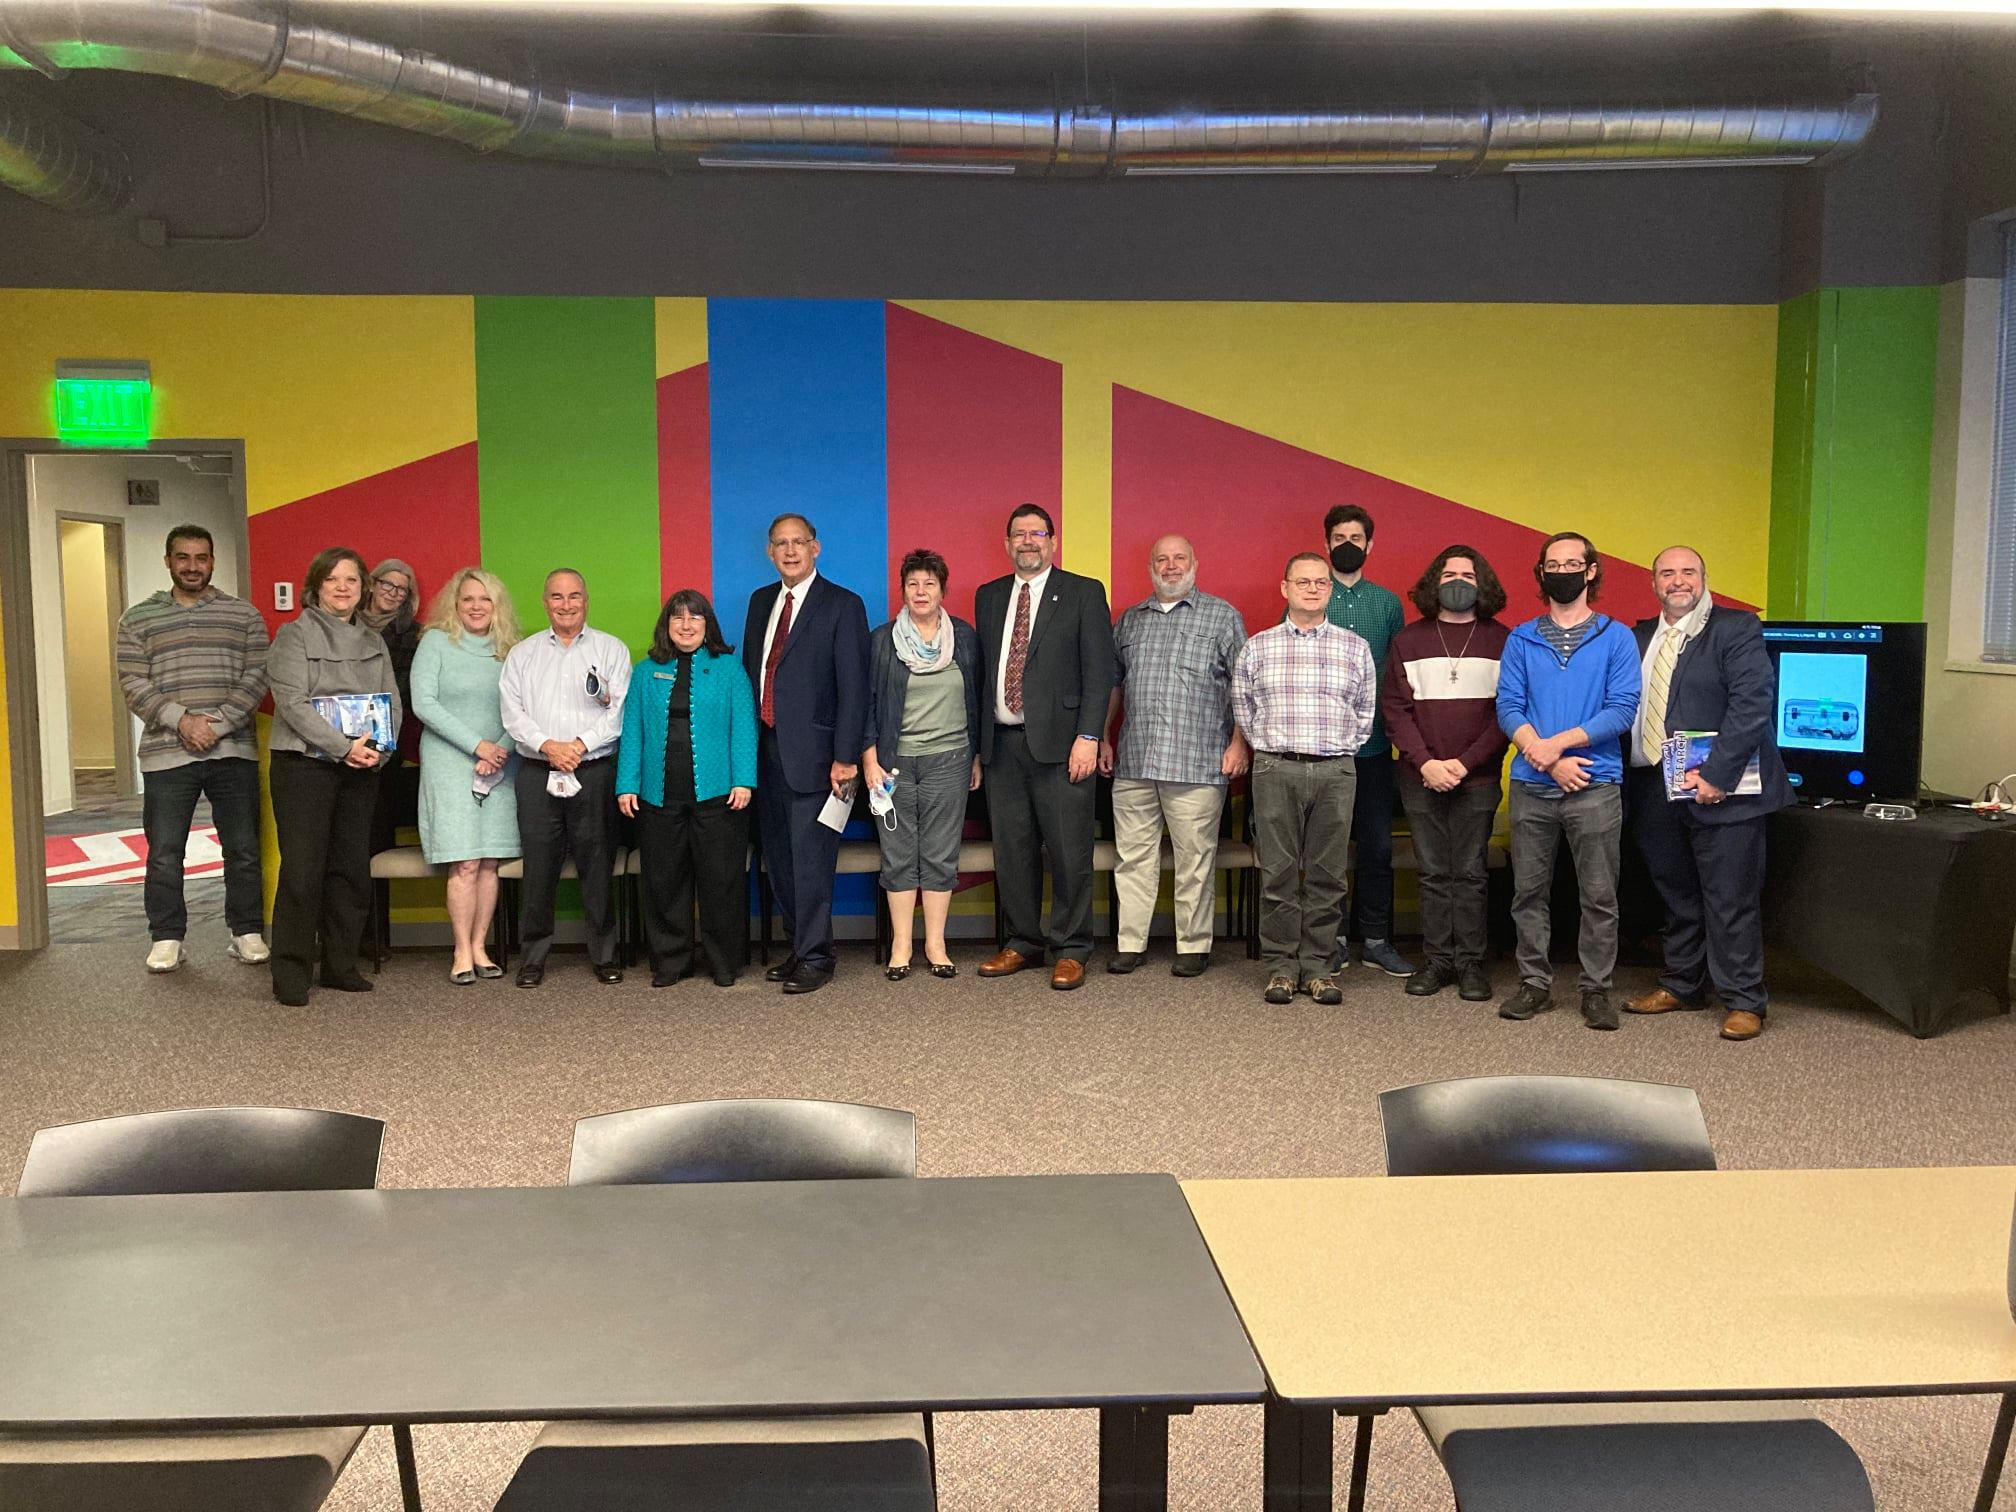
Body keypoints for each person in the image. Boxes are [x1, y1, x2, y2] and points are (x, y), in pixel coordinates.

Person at [1622, 546, 1795, 1042]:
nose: (1678, 581)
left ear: (1704, 578)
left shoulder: (1736, 629)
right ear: (1654, 582)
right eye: (1667, 573)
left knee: (1730, 896)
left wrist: (1717, 774)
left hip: (1726, 790)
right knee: (1676, 893)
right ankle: (1682, 983)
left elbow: (1751, 704)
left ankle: (1744, 1000)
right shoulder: (1637, 637)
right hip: (1654, 785)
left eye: (1688, 572)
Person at [1495, 531, 1641, 1030]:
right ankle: (1534, 984)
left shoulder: (1616, 637)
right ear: (1541, 574)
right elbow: (1508, 707)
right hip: (1533, 785)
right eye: (1553, 565)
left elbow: (1621, 709)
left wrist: (1556, 746)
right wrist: (1545, 754)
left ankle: (1596, 990)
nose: (1563, 572)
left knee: (1599, 895)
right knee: (1528, 893)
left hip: (1595, 785)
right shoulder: (1521, 638)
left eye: (1573, 564)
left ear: (1591, 571)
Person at [116, 523, 271, 974]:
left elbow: (257, 676)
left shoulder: (243, 615)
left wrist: (215, 726)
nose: (192, 566)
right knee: (165, 851)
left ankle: (245, 931)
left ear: (213, 562)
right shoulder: (137, 618)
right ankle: (167, 937)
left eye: (201, 558)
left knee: (242, 847)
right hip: (167, 752)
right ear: (168, 561)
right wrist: (182, 720)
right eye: (182, 557)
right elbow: (132, 681)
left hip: (233, 751)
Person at [974, 503, 1117, 991]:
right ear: (1006, 542)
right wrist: (978, 746)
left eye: (1037, 533)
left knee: (1068, 850)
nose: (1028, 541)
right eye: (1019, 534)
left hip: (1064, 747)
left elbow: (1101, 671)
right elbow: (981, 675)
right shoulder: (989, 596)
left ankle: (1072, 947)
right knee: (1012, 851)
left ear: (1053, 541)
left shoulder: (1082, 592)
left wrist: (1090, 736)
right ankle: (1023, 943)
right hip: (1002, 745)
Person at [1099, 534, 1248, 977]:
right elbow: (1114, 684)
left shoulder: (1223, 617)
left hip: (1199, 761)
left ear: (1195, 563)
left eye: (1179, 558)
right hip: (1136, 761)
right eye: (1161, 559)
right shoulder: (1130, 621)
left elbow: (1245, 684)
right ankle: (1131, 943)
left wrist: (1240, 743)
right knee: (1133, 858)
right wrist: (1105, 735)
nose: (1170, 566)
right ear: (1150, 567)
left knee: (1195, 860)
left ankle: (1193, 945)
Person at [1234, 551, 1378, 1006]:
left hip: (1336, 770)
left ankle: (1318, 968)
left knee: (1327, 875)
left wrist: (1340, 750)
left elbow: (1365, 712)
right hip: (1277, 767)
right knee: (1277, 873)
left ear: (1330, 590)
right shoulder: (1258, 646)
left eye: (1321, 582)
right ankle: (1280, 967)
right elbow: (1244, 708)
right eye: (1303, 582)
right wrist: (1270, 748)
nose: (1312, 589)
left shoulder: (1355, 647)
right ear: (1285, 588)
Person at [741, 514, 871, 995]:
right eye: (781, 543)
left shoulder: (842, 604)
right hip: (765, 752)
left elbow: (854, 690)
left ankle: (818, 957)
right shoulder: (760, 603)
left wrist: (846, 757)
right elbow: (751, 676)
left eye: (799, 542)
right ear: (769, 552)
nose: (790, 551)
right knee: (781, 858)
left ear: (816, 548)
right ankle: (799, 948)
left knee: (812, 861)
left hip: (819, 759)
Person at [266, 546, 398, 1007]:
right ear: (316, 586)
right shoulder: (293, 636)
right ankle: (291, 972)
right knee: (303, 873)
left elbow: (391, 702)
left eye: (352, 580)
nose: (343, 588)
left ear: (363, 589)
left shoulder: (373, 641)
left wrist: (377, 751)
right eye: (333, 580)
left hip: (361, 769)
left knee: (348, 870)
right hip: (305, 768)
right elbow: (292, 703)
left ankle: (341, 965)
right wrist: (344, 748)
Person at [1382, 545, 1512, 1004]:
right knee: (1434, 872)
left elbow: (1508, 713)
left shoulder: (1503, 640)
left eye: (1469, 575)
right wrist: (1428, 763)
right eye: (1450, 574)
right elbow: (1396, 712)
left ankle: (1471, 963)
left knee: (1471, 871)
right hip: (1420, 777)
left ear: (1484, 586)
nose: (1458, 581)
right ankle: (1438, 960)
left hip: (1477, 778)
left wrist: (1463, 764)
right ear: (1434, 582)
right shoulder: (1409, 641)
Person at [499, 568, 632, 988]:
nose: (566, 604)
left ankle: (604, 955)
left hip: (593, 772)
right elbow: (512, 714)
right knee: (539, 868)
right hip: (538, 772)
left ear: (586, 599)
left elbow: (618, 714)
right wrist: (548, 746)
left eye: (574, 596)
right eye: (557, 597)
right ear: (545, 602)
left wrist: (577, 745)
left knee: (597, 866)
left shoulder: (612, 649)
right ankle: (533, 959)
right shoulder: (523, 654)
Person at [618, 590, 758, 988]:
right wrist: (627, 783)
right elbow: (632, 732)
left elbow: (744, 727)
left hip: (719, 793)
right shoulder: (645, 671)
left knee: (722, 880)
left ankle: (724, 962)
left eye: (694, 618)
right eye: (677, 618)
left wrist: (744, 779)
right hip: (659, 794)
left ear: (707, 625)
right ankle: (670, 961)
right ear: (666, 626)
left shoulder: (730, 669)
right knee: (663, 881)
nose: (685, 625)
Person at [863, 549, 983, 981]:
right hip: (893, 766)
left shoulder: (965, 639)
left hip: (950, 761)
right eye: (913, 583)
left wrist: (977, 757)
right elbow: (868, 706)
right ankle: (901, 944)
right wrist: (870, 760)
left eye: (929, 583)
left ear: (942, 590)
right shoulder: (881, 641)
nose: (921, 591)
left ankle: (935, 943)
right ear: (903, 590)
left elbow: (978, 702)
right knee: (897, 855)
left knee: (939, 854)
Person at [410, 567, 522, 985]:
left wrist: (499, 750)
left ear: (497, 606)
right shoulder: (436, 643)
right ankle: (460, 949)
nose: (476, 607)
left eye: (485, 599)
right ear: (455, 605)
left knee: (490, 859)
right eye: (468, 599)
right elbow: (424, 704)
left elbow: (524, 710)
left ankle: (481, 946)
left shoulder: (512, 649)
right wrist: (477, 746)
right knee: (466, 862)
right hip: (449, 761)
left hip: (501, 764)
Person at [1316, 505, 1413, 980]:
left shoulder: (1388, 603)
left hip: (1375, 749)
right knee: (1329, 849)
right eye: (1338, 537)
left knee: (1376, 847)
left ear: (1370, 545)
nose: (1347, 543)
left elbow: (1397, 672)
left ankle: (1375, 939)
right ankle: (1331, 940)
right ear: (1327, 544)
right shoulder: (1312, 594)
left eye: (1356, 536)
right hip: (1323, 749)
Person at [359, 559, 422, 861]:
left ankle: (372, 909)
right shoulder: (343, 624)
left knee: (375, 833)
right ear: (372, 583)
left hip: (385, 745)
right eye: (388, 584)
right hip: (333, 741)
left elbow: (405, 692)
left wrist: (371, 734)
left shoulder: (415, 635)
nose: (394, 593)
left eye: (402, 589)